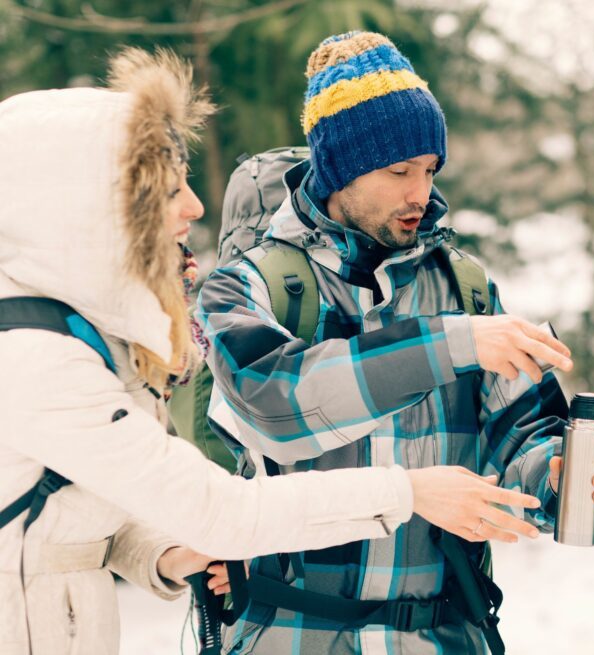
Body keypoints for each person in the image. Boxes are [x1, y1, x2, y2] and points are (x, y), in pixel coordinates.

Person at [0, 48, 547, 655]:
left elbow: (69, 512)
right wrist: (409, 491)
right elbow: (227, 496)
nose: (194, 207)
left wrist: (162, 550)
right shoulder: (37, 361)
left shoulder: (77, 340)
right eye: (166, 189)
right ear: (84, 208)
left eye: (430, 169)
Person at [196, 31, 594, 654]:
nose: (419, 193)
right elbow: (277, 404)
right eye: (398, 171)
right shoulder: (247, 285)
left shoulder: (466, 288)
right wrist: (452, 345)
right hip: (290, 635)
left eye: (428, 170)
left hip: (441, 636)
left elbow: (521, 434)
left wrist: (558, 478)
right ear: (338, 167)